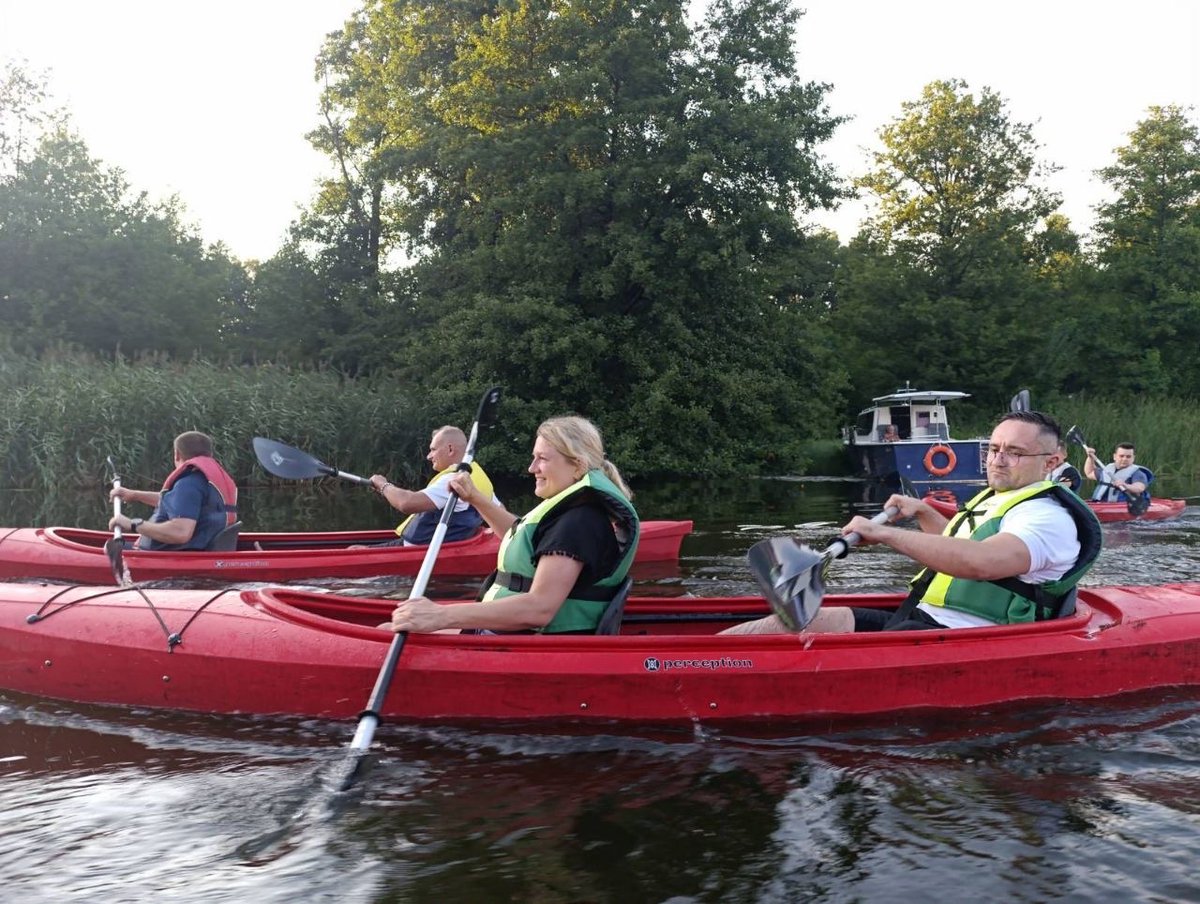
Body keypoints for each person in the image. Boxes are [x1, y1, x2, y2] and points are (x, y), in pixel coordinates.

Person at [723, 411, 1102, 635]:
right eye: (994, 448)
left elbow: (981, 563)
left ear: (1051, 462)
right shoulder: (1000, 497)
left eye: (1015, 453)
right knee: (806, 621)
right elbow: (958, 546)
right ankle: (706, 657)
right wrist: (923, 512)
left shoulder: (1048, 517)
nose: (998, 460)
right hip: (922, 617)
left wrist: (884, 533)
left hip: (961, 636)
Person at [387, 416, 640, 634]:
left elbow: (539, 609)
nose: (532, 468)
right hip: (511, 633)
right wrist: (475, 498)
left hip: (530, 643)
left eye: (542, 459)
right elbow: (519, 535)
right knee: (386, 630)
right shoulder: (572, 513)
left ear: (578, 466)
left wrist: (441, 616)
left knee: (386, 634)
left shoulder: (579, 522)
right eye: (533, 458)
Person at [366, 426, 499, 545]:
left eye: (433, 449)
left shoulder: (452, 480)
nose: (429, 456)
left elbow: (406, 503)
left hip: (420, 552)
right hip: (438, 546)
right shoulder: (478, 476)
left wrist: (382, 485)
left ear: (450, 449)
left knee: (354, 549)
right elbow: (500, 513)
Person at [108, 431, 238, 551]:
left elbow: (181, 533)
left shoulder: (189, 483)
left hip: (175, 554)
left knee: (108, 548)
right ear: (210, 454)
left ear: (177, 454)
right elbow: (181, 502)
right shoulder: (204, 480)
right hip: (203, 547)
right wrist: (134, 495)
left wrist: (133, 524)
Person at [1083, 442, 1153, 506]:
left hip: (1123, 505)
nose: (1125, 459)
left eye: (1128, 457)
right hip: (1099, 504)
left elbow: (1139, 488)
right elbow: (1089, 473)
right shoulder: (1107, 469)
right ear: (1115, 456)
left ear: (1133, 458)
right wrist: (1090, 457)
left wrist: (1125, 485)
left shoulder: (1137, 473)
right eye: (1121, 456)